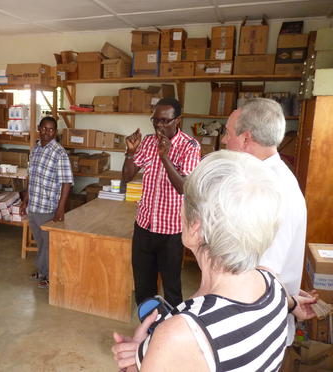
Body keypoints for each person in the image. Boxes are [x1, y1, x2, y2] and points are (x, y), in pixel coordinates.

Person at [113, 151, 299, 371]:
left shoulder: (179, 333)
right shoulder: (273, 284)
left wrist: (139, 361)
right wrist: (149, 353)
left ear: (196, 228)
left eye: (185, 204)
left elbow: (181, 345)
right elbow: (289, 303)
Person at [221, 98, 315, 346]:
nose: (223, 140)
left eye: (228, 133)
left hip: (257, 326)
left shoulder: (270, 191)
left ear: (245, 138)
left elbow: (262, 276)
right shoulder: (268, 177)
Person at [122, 97, 200, 307]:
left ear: (178, 120)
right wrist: (130, 153)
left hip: (171, 232)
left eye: (165, 121)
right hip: (144, 226)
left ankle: (170, 333)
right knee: (143, 286)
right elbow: (127, 176)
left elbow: (183, 188)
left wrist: (165, 157)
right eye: (155, 120)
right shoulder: (147, 141)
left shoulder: (189, 146)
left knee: (171, 287)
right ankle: (148, 329)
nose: (159, 125)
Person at [20, 116, 73, 289]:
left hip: (49, 207)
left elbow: (66, 182)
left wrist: (60, 209)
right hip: (35, 205)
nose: (46, 132)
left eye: (50, 130)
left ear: (55, 132)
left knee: (50, 244)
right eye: (43, 128)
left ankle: (52, 276)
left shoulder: (59, 152)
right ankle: (43, 271)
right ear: (38, 128)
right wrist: (25, 200)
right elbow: (32, 177)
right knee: (41, 242)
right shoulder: (35, 149)